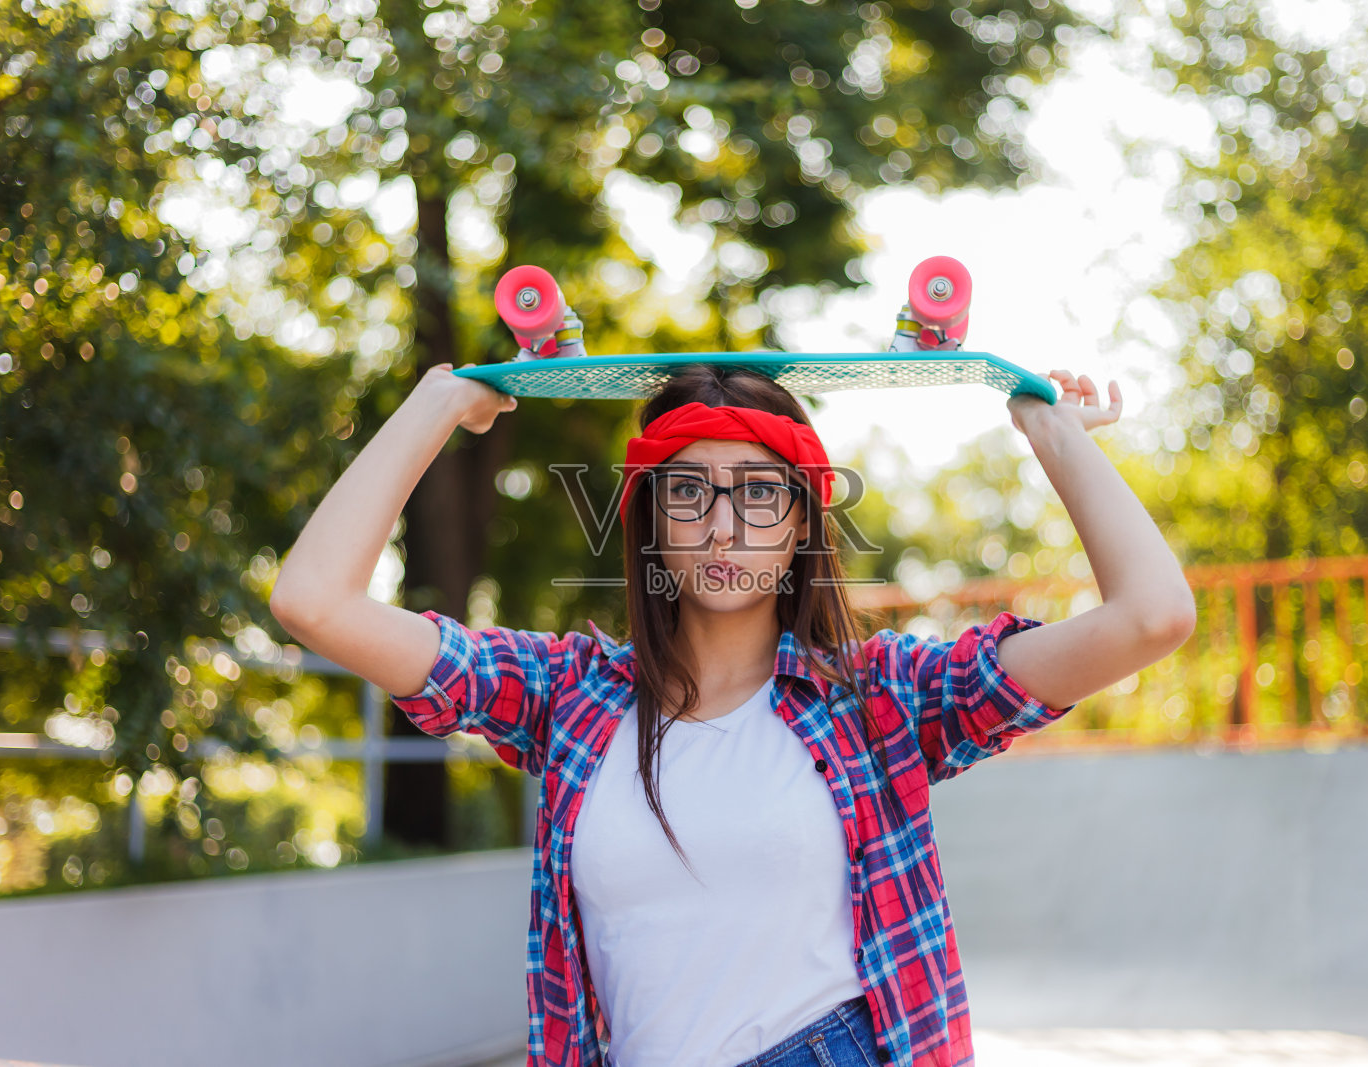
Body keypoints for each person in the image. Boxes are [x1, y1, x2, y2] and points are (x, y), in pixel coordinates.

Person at [270, 361, 1197, 1067]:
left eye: (758, 493)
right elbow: (315, 600)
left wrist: (1052, 429)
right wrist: (440, 402)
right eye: (689, 491)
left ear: (800, 523)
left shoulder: (876, 701)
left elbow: (1151, 617)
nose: (722, 527)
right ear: (651, 519)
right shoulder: (567, 695)